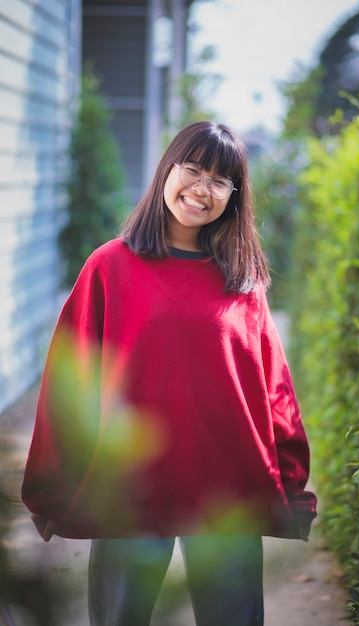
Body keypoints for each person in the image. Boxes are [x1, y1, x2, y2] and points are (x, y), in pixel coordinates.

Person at [22, 121, 317, 626]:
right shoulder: (109, 266)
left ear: (234, 195)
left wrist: (291, 482)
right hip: (131, 493)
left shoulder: (244, 280)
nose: (203, 189)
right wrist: (53, 483)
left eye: (220, 180)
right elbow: (68, 383)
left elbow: (272, 388)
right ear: (168, 170)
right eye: (194, 169)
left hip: (225, 491)